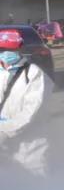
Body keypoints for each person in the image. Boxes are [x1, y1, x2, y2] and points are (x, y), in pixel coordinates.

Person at [0, 30, 53, 176]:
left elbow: (30, 112)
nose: (5, 53)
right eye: (2, 49)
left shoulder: (33, 74)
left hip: (29, 142)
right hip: (3, 145)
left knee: (34, 179)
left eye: (10, 49)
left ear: (19, 50)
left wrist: (5, 131)